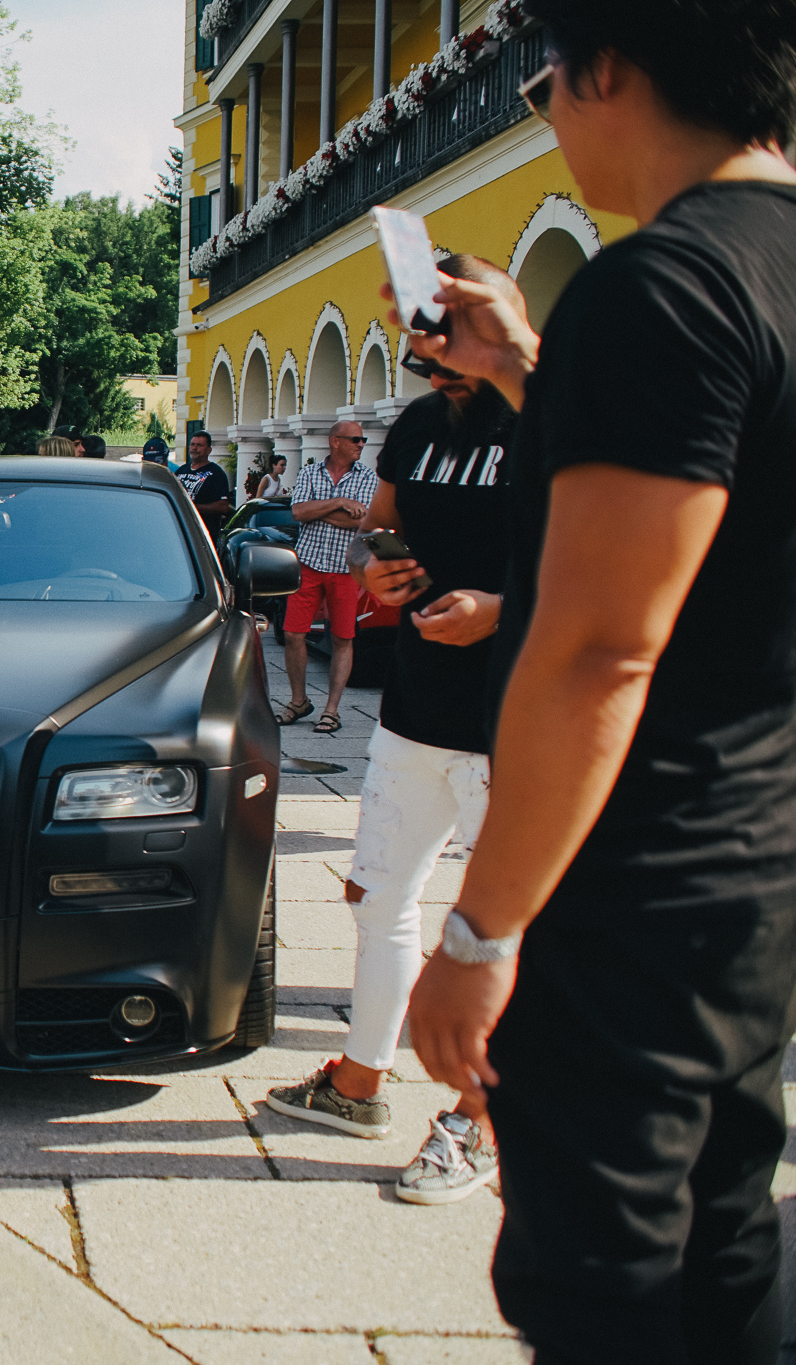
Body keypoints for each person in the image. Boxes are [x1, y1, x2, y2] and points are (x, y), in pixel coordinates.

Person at [399, 6, 796, 1358]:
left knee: (601, 1275)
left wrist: (480, 934)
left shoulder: (664, 285)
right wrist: (519, 366)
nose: (541, 100)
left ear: (611, 67)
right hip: (759, 866)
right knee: (727, 1241)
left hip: (636, 882)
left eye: (550, 69)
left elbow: (602, 650)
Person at [266, 255, 524, 1207]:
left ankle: (478, 1119)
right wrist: (386, 569)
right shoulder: (419, 426)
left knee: (501, 929)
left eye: (449, 353)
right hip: (417, 708)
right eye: (425, 358)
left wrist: (501, 606)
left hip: (516, 718)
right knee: (379, 897)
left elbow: (601, 554)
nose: (437, 375)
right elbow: (388, 523)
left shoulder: (555, 413)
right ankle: (359, 1080)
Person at [275, 421, 375, 733]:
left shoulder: (367, 477)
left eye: (363, 439)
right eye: (356, 439)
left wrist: (320, 510)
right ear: (335, 442)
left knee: (342, 638)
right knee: (293, 634)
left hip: (346, 569)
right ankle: (299, 701)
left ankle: (331, 710)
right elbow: (298, 512)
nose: (361, 444)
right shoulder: (309, 473)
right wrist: (340, 502)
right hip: (308, 565)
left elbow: (361, 523)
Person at [176, 431, 233, 531]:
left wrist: (192, 507)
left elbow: (223, 506)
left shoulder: (216, 473)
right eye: (192, 444)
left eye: (199, 445)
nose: (194, 448)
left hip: (203, 531)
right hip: (181, 528)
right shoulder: (181, 470)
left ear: (208, 450)